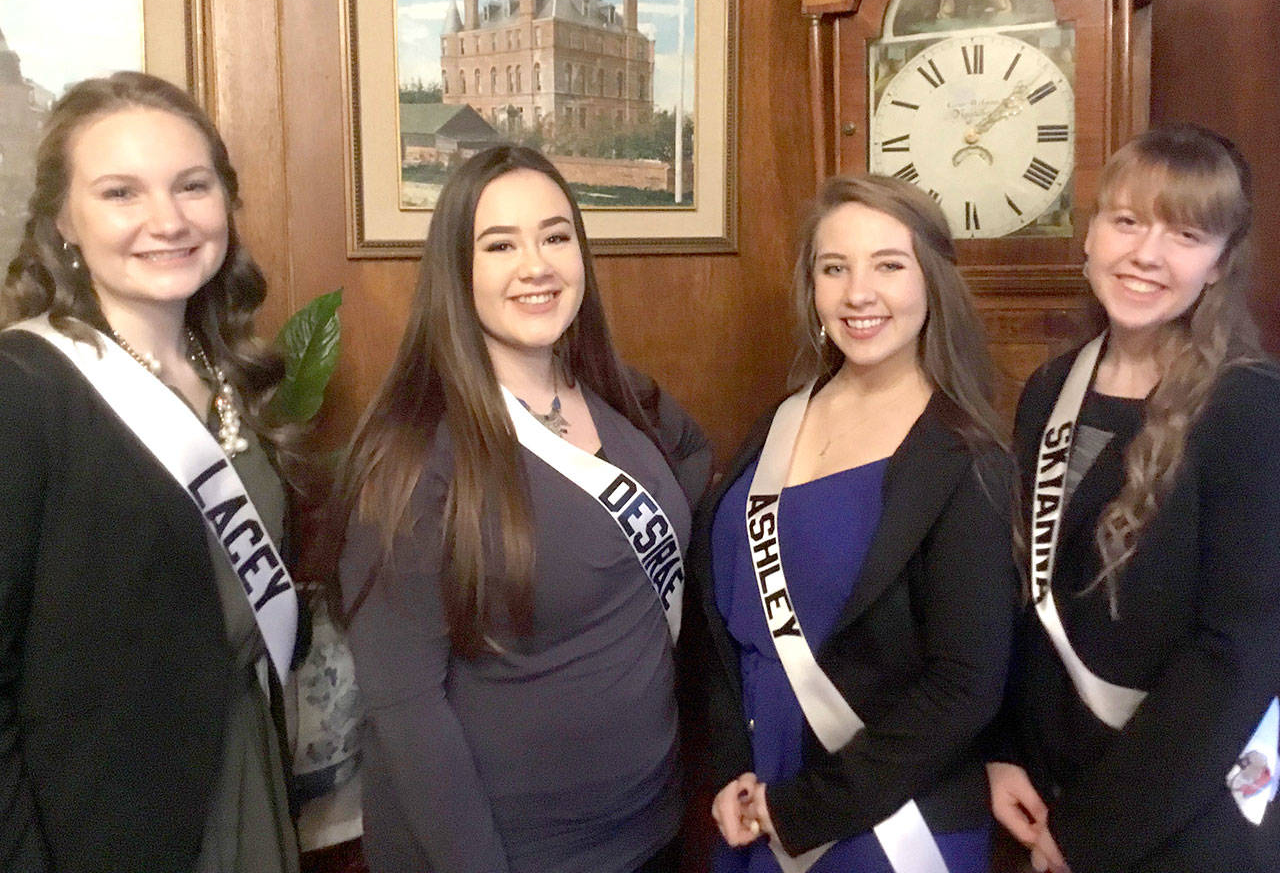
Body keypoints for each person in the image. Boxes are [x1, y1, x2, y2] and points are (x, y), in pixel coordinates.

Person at [331, 145, 712, 873]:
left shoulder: (614, 391)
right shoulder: (413, 455)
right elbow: (406, 708)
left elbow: (689, 474)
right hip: (517, 853)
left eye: (555, 236)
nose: (536, 264)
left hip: (654, 826)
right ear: (455, 270)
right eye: (499, 244)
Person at [0, 71, 303, 872]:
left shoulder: (226, 369)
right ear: (64, 220)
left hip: (245, 781)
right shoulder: (23, 390)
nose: (167, 220)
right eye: (120, 193)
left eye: (192, 186)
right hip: (109, 825)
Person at [686, 173, 1017, 873]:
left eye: (888, 266)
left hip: (885, 823)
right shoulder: (778, 422)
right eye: (834, 268)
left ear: (933, 282)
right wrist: (730, 767)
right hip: (754, 804)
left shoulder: (965, 457)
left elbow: (965, 686)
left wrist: (804, 807)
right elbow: (724, 629)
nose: (857, 293)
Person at [988, 124, 1280, 873]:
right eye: (1126, 220)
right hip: (1049, 791)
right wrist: (1004, 752)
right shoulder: (1051, 389)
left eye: (1185, 233)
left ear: (1218, 265)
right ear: (1091, 236)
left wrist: (1093, 832)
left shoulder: (1249, 409)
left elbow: (1237, 657)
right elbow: (1026, 597)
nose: (1145, 254)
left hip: (1179, 817)